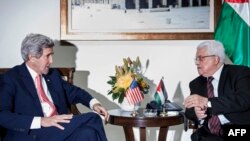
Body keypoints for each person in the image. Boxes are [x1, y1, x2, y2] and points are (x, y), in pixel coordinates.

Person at [0, 33, 109, 141]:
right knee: (93, 118)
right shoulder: (11, 78)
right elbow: (2, 115)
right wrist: (41, 121)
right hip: (31, 134)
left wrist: (94, 103)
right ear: (32, 58)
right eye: (47, 56)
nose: (51, 61)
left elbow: (75, 92)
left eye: (52, 55)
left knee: (88, 133)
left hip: (58, 130)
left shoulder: (52, 75)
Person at [184, 40, 250, 141]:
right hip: (209, 133)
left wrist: (208, 102)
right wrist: (197, 114)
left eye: (201, 58)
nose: (197, 63)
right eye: (196, 59)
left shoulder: (240, 73)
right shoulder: (196, 83)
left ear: (216, 59)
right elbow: (189, 111)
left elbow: (244, 99)